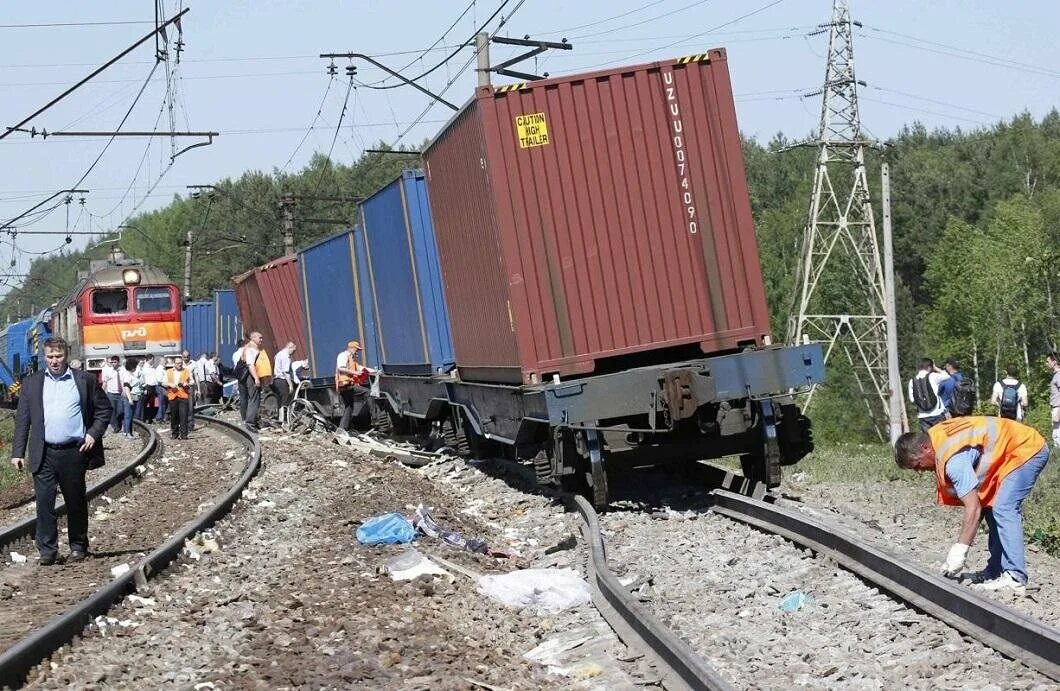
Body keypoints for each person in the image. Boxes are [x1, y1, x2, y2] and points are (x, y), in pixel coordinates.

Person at [894, 416, 1050, 595]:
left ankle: (1015, 577)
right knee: (991, 507)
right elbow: (980, 507)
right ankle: (996, 571)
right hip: (1009, 453)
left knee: (1004, 508)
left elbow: (973, 508)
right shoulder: (936, 437)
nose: (920, 471)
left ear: (925, 448)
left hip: (1026, 449)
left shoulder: (953, 461)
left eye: (917, 465)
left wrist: (959, 551)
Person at [10, 337, 112, 565]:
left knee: (75, 500)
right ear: (44, 357)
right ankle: (47, 550)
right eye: (50, 357)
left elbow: (104, 410)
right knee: (44, 503)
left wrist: (93, 434)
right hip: (44, 452)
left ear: (65, 356)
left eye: (58, 356)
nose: (54, 361)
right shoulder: (32, 383)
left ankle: (78, 546)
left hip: (73, 452)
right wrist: (17, 452)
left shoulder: (84, 380)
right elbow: (22, 421)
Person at [336, 340, 373, 434]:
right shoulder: (343, 356)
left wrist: (375, 371)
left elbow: (362, 368)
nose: (357, 352)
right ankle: (375, 419)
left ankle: (342, 429)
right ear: (351, 348)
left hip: (347, 386)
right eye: (357, 349)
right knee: (368, 393)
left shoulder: (352, 360)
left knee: (349, 407)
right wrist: (356, 373)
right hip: (345, 385)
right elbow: (341, 368)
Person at [908, 358, 950, 432]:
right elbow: (947, 376)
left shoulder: (912, 381)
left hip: (923, 416)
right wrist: (935, 367)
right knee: (941, 437)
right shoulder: (933, 376)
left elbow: (912, 400)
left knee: (929, 439)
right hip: (937, 413)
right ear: (929, 367)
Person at [241, 332, 265, 432]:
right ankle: (250, 423)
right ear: (253, 338)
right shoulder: (250, 349)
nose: (261, 340)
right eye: (260, 338)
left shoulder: (251, 348)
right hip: (251, 377)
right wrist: (256, 378)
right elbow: (250, 365)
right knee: (254, 399)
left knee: (256, 399)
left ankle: (254, 421)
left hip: (253, 376)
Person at [163, 355, 192, 440]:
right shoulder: (168, 372)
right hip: (173, 396)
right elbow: (163, 382)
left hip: (183, 396)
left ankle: (184, 435)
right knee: (174, 416)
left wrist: (188, 384)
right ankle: (174, 433)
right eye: (177, 363)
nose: (179, 365)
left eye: (180, 363)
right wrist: (169, 384)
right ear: (174, 364)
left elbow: (192, 381)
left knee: (184, 416)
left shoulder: (186, 371)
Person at [119, 357, 144, 439]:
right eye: (135, 366)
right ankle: (127, 433)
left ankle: (130, 432)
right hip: (129, 398)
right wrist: (130, 399)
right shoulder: (127, 375)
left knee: (130, 416)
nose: (136, 368)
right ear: (132, 367)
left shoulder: (130, 374)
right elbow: (126, 387)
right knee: (128, 416)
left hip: (133, 397)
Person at [272, 342, 296, 422]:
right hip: (282, 380)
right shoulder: (286, 356)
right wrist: (290, 385)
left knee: (279, 400)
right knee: (285, 400)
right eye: (293, 350)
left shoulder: (278, 354)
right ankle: (284, 420)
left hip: (276, 380)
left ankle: (279, 418)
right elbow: (286, 372)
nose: (293, 353)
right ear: (290, 347)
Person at [100, 355, 123, 433]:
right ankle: (115, 427)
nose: (113, 364)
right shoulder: (109, 371)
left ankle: (119, 424)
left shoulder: (122, 370)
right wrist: (102, 393)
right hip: (111, 394)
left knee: (120, 411)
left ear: (118, 362)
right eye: (112, 362)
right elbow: (105, 382)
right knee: (112, 411)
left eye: (115, 362)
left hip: (120, 394)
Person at [141, 355, 160, 422]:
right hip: (148, 387)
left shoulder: (151, 368)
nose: (154, 361)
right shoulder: (145, 368)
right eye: (153, 359)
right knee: (145, 404)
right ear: (151, 359)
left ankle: (150, 418)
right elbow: (143, 378)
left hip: (153, 387)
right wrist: (145, 388)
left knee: (152, 403)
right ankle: (144, 418)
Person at [1048, 351, 1060, 449]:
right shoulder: (1056, 375)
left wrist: (1058, 412)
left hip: (1058, 408)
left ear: (1054, 362)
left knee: (1057, 435)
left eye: (1048, 361)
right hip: (1056, 407)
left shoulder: (1059, 375)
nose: (1046, 364)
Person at [152, 356, 169, 425]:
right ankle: (158, 418)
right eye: (165, 361)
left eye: (166, 361)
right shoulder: (159, 369)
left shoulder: (163, 369)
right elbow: (159, 380)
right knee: (162, 403)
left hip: (163, 387)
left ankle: (161, 418)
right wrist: (166, 385)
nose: (166, 362)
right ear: (161, 361)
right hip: (161, 387)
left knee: (164, 403)